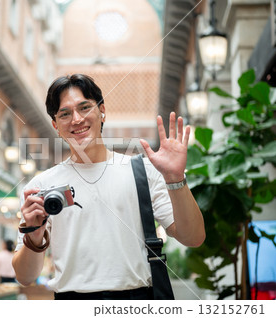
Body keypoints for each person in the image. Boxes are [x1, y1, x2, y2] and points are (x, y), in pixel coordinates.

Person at [12, 74, 205, 300]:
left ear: (102, 111)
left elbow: (193, 237)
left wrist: (175, 178)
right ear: (56, 125)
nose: (76, 119)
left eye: (84, 107)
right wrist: (34, 236)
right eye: (65, 114)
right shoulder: (42, 187)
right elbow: (25, 277)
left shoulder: (142, 172)